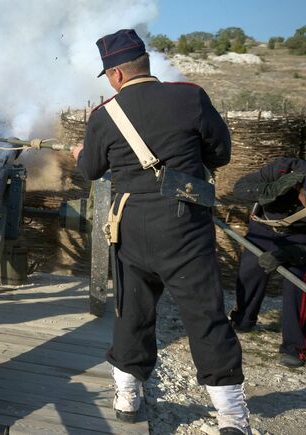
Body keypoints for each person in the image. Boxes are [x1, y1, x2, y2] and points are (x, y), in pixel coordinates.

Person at [72, 29, 251, 434]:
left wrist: (81, 153)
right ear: (146, 64)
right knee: (205, 313)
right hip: (183, 221)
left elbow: (90, 171)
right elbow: (220, 152)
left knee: (131, 309)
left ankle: (127, 395)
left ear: (115, 74)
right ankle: (232, 417)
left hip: (130, 223)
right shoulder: (190, 97)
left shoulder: (105, 114)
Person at [230, 157, 306, 368]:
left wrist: (289, 254)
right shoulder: (283, 168)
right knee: (249, 271)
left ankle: (295, 347)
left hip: (300, 238)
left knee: (297, 284)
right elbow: (239, 188)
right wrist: (272, 189)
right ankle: (244, 319)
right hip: (264, 230)